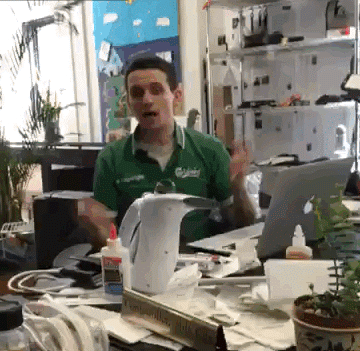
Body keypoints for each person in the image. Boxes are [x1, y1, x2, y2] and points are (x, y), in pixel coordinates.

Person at [79, 55, 255, 248]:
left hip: (201, 261)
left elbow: (243, 226)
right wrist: (97, 228)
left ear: (177, 96)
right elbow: (108, 244)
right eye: (137, 93)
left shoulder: (209, 150)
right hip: (138, 262)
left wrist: (239, 188)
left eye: (156, 90)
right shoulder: (111, 158)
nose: (147, 100)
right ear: (128, 103)